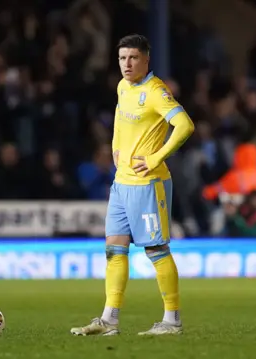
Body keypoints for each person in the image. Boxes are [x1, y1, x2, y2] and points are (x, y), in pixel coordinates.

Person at [70, 34, 194, 336]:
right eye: (123, 58)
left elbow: (186, 125)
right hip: (121, 183)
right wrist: (115, 146)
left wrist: (156, 157)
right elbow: (119, 120)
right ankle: (109, 320)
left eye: (133, 57)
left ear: (146, 60)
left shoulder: (155, 91)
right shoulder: (123, 87)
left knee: (156, 250)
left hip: (148, 183)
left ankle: (171, 320)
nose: (127, 64)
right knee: (114, 251)